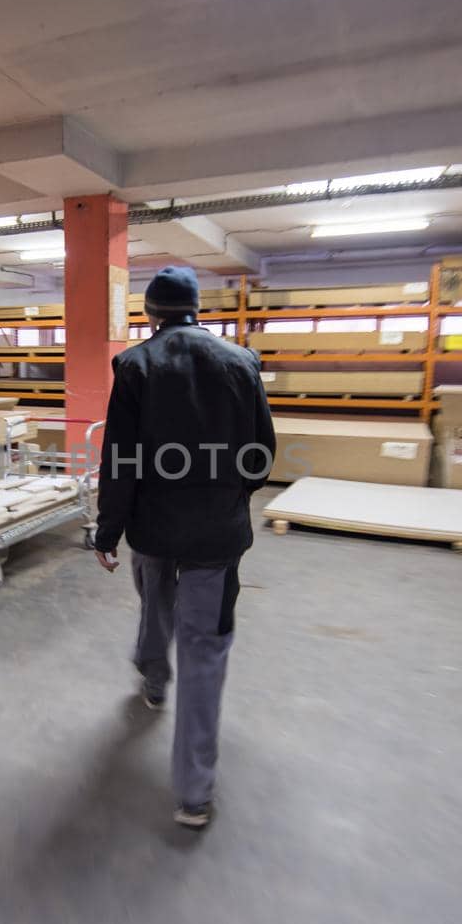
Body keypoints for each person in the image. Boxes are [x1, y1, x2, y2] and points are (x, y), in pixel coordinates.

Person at [92, 265, 275, 832]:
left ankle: (151, 680)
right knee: (204, 649)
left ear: (149, 313)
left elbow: (119, 461)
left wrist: (107, 530)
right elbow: (262, 454)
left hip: (152, 527)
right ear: (198, 310)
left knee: (154, 603)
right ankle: (193, 793)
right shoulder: (241, 362)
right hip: (216, 539)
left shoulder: (134, 366)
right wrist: (227, 496)